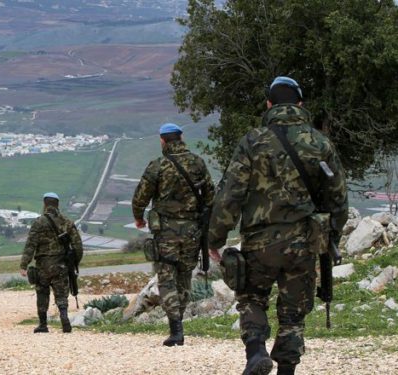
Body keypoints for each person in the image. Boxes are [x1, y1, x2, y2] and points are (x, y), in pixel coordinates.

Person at [208, 77, 348, 375]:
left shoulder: (252, 141)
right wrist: (331, 234)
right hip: (304, 242)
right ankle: (286, 370)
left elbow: (230, 193)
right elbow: (338, 195)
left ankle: (256, 351)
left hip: (260, 242)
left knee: (251, 297)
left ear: (269, 105)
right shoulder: (320, 142)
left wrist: (215, 238)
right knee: (293, 314)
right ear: (300, 105)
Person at [131, 123, 215, 347]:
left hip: (165, 232)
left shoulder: (158, 166)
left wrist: (138, 218)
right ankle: (179, 322)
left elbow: (140, 197)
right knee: (184, 276)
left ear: (162, 141)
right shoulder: (197, 162)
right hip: (192, 231)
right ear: (181, 138)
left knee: (167, 279)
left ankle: (176, 328)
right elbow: (210, 196)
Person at [20, 192, 83, 333]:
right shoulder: (67, 222)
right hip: (61, 265)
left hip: (42, 266)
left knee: (42, 293)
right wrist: (74, 263)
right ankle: (64, 318)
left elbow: (30, 245)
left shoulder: (39, 222)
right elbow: (78, 246)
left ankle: (43, 324)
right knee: (61, 294)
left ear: (45, 204)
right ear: (57, 204)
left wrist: (24, 265)